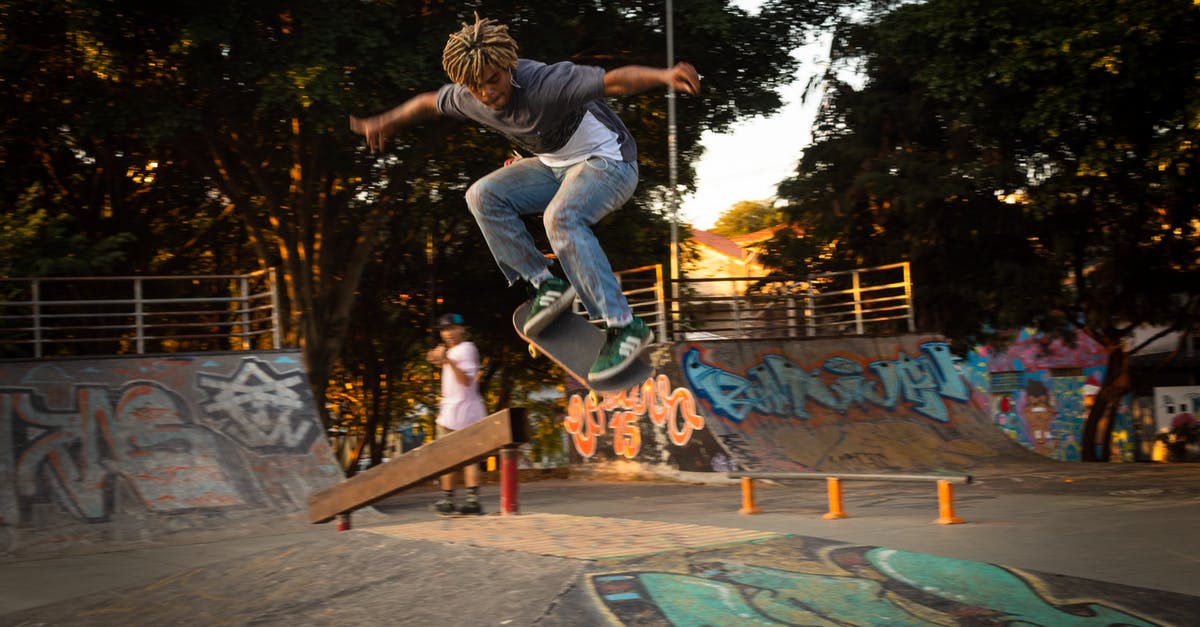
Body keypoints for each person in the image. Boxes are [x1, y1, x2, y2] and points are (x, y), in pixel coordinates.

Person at [350, 13, 701, 382]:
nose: (488, 93)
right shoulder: (468, 96)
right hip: (553, 167)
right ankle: (544, 283)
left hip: (610, 163)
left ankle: (624, 325)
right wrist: (385, 121)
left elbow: (613, 82)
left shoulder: (545, 84)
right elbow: (426, 102)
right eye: (476, 87)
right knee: (482, 195)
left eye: (494, 80)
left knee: (559, 217)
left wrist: (663, 76)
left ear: (508, 65)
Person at [426, 312, 488, 515]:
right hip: (449, 414)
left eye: (453, 328)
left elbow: (466, 381)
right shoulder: (452, 350)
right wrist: (440, 355)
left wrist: (447, 360)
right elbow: (431, 357)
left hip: (466, 413)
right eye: (445, 330)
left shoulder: (468, 349)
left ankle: (472, 501)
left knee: (468, 459)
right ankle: (448, 501)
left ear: (463, 329)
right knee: (447, 461)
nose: (449, 333)